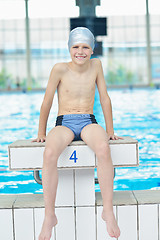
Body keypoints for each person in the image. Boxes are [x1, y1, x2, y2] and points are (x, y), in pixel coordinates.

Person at [33, 27, 122, 240]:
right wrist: (41, 132)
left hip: (88, 121)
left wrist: (110, 130)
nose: (80, 51)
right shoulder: (59, 69)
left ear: (92, 50)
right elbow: (47, 101)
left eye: (85, 47)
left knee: (103, 148)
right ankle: (49, 215)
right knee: (49, 154)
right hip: (64, 122)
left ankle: (107, 210)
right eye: (75, 47)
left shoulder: (96, 66)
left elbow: (105, 98)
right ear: (69, 49)